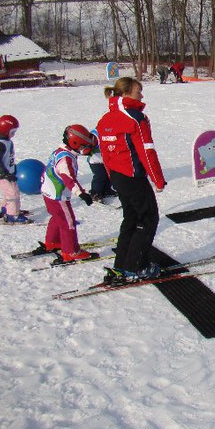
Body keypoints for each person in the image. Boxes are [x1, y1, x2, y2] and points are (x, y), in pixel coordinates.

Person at [97, 77, 167, 282]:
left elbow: (104, 153)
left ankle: (122, 263)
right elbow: (146, 151)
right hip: (133, 177)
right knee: (148, 219)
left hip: (119, 177)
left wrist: (112, 177)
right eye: (139, 91)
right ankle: (137, 266)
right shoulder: (136, 118)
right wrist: (158, 180)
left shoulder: (105, 119)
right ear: (126, 94)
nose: (142, 95)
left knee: (131, 219)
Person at [41, 125, 98, 262]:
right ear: (75, 143)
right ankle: (70, 251)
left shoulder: (60, 151)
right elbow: (69, 179)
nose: (84, 150)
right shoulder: (66, 159)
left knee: (57, 217)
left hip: (48, 192)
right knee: (68, 222)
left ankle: (53, 242)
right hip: (58, 195)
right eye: (83, 146)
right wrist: (81, 193)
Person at [0, 114, 30, 223]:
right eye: (12, 132)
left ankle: (6, 209)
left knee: (10, 192)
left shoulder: (3, 140)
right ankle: (12, 215)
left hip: (7, 172)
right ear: (5, 130)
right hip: (1, 174)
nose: (13, 135)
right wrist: (5, 173)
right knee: (12, 194)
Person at [87, 128, 117, 202]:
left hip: (105, 160)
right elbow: (89, 139)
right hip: (95, 161)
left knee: (108, 175)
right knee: (100, 176)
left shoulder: (112, 132)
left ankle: (106, 189)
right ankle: (95, 193)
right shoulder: (96, 133)